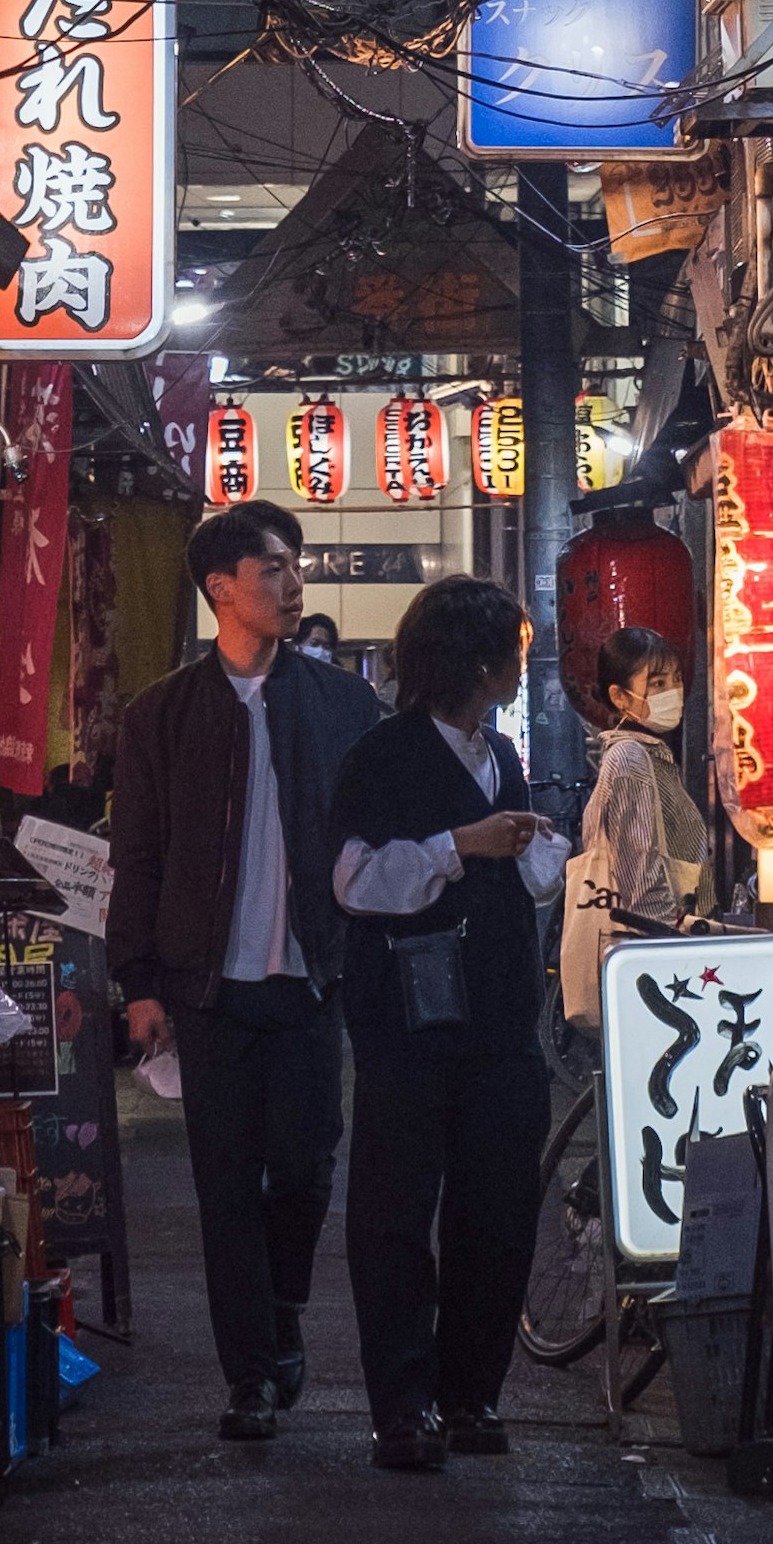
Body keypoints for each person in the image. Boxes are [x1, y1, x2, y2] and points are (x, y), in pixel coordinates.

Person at [108, 499, 369, 1445]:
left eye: (296, 565)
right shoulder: (161, 714)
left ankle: (285, 1309)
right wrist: (138, 981)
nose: (293, 581)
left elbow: (365, 843)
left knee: (303, 1171)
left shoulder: (341, 703)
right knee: (225, 1184)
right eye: (273, 568)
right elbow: (136, 855)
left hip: (308, 981)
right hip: (206, 988)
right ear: (222, 589)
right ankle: (250, 1377)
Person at [328, 577, 566, 1474]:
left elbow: (528, 873)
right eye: (513, 647)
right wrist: (458, 847)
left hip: (501, 1022)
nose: (522, 663)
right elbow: (355, 882)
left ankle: (473, 1393)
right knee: (394, 1214)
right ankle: (401, 1406)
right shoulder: (382, 756)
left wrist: (529, 839)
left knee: (498, 1210)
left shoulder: (499, 753)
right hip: (406, 1027)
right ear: (476, 660)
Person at [558, 621, 712, 1026]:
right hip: (655, 968)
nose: (673, 692)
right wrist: (677, 951)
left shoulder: (653, 757)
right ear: (619, 697)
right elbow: (642, 883)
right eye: (657, 683)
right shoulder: (629, 760)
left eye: (676, 679)